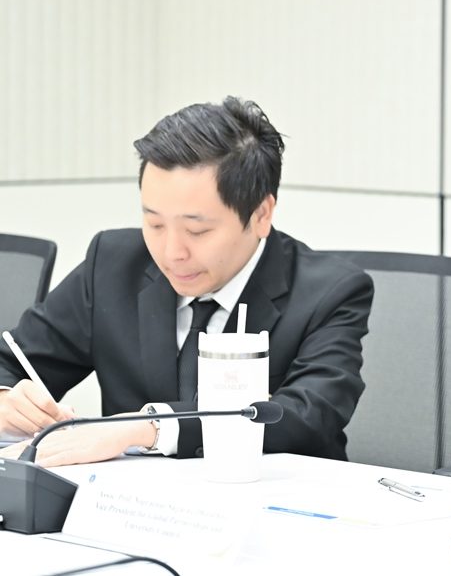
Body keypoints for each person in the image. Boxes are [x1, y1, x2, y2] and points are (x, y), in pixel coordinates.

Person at [0, 97, 372, 465]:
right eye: (155, 224)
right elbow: (12, 362)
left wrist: (148, 427)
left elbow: (308, 416)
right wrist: (7, 401)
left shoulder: (329, 292)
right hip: (127, 498)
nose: (171, 252)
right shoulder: (113, 263)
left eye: (197, 230)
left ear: (261, 214)